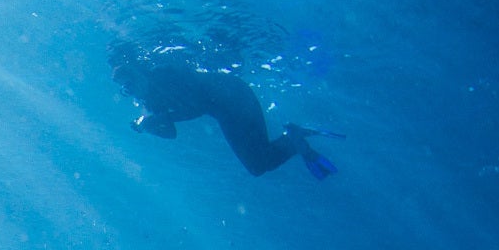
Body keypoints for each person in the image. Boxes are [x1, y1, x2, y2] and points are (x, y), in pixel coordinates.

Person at [112, 53, 338, 179]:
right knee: (259, 165)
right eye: (125, 89)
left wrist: (157, 118)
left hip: (234, 99)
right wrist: (150, 125)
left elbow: (196, 104)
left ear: (139, 71)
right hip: (227, 108)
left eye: (130, 82)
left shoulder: (165, 75)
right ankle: (296, 141)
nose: (130, 90)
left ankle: (294, 140)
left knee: (258, 165)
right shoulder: (151, 99)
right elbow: (171, 133)